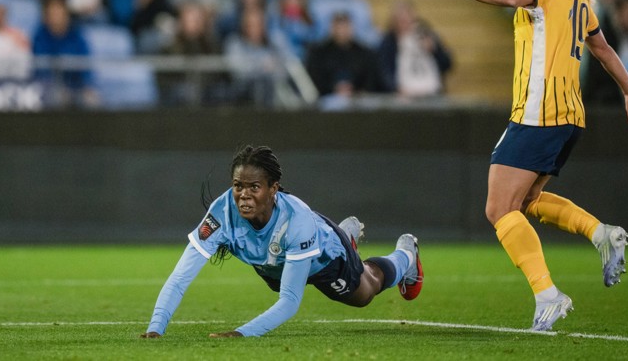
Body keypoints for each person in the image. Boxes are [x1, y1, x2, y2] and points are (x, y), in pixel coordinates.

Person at [410, 0, 628, 331]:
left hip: (540, 111)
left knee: (498, 208)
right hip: (568, 115)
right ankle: (602, 234)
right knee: (523, 202)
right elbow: (601, 47)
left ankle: (548, 294)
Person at [140, 144, 423, 339]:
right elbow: (180, 278)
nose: (244, 195)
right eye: (238, 185)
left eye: (255, 187)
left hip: (323, 259)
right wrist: (156, 328)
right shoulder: (221, 213)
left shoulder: (296, 220)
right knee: (282, 276)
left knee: (365, 292)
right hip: (276, 265)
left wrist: (241, 333)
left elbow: (290, 301)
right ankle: (346, 235)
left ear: (273, 189)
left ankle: (405, 255)